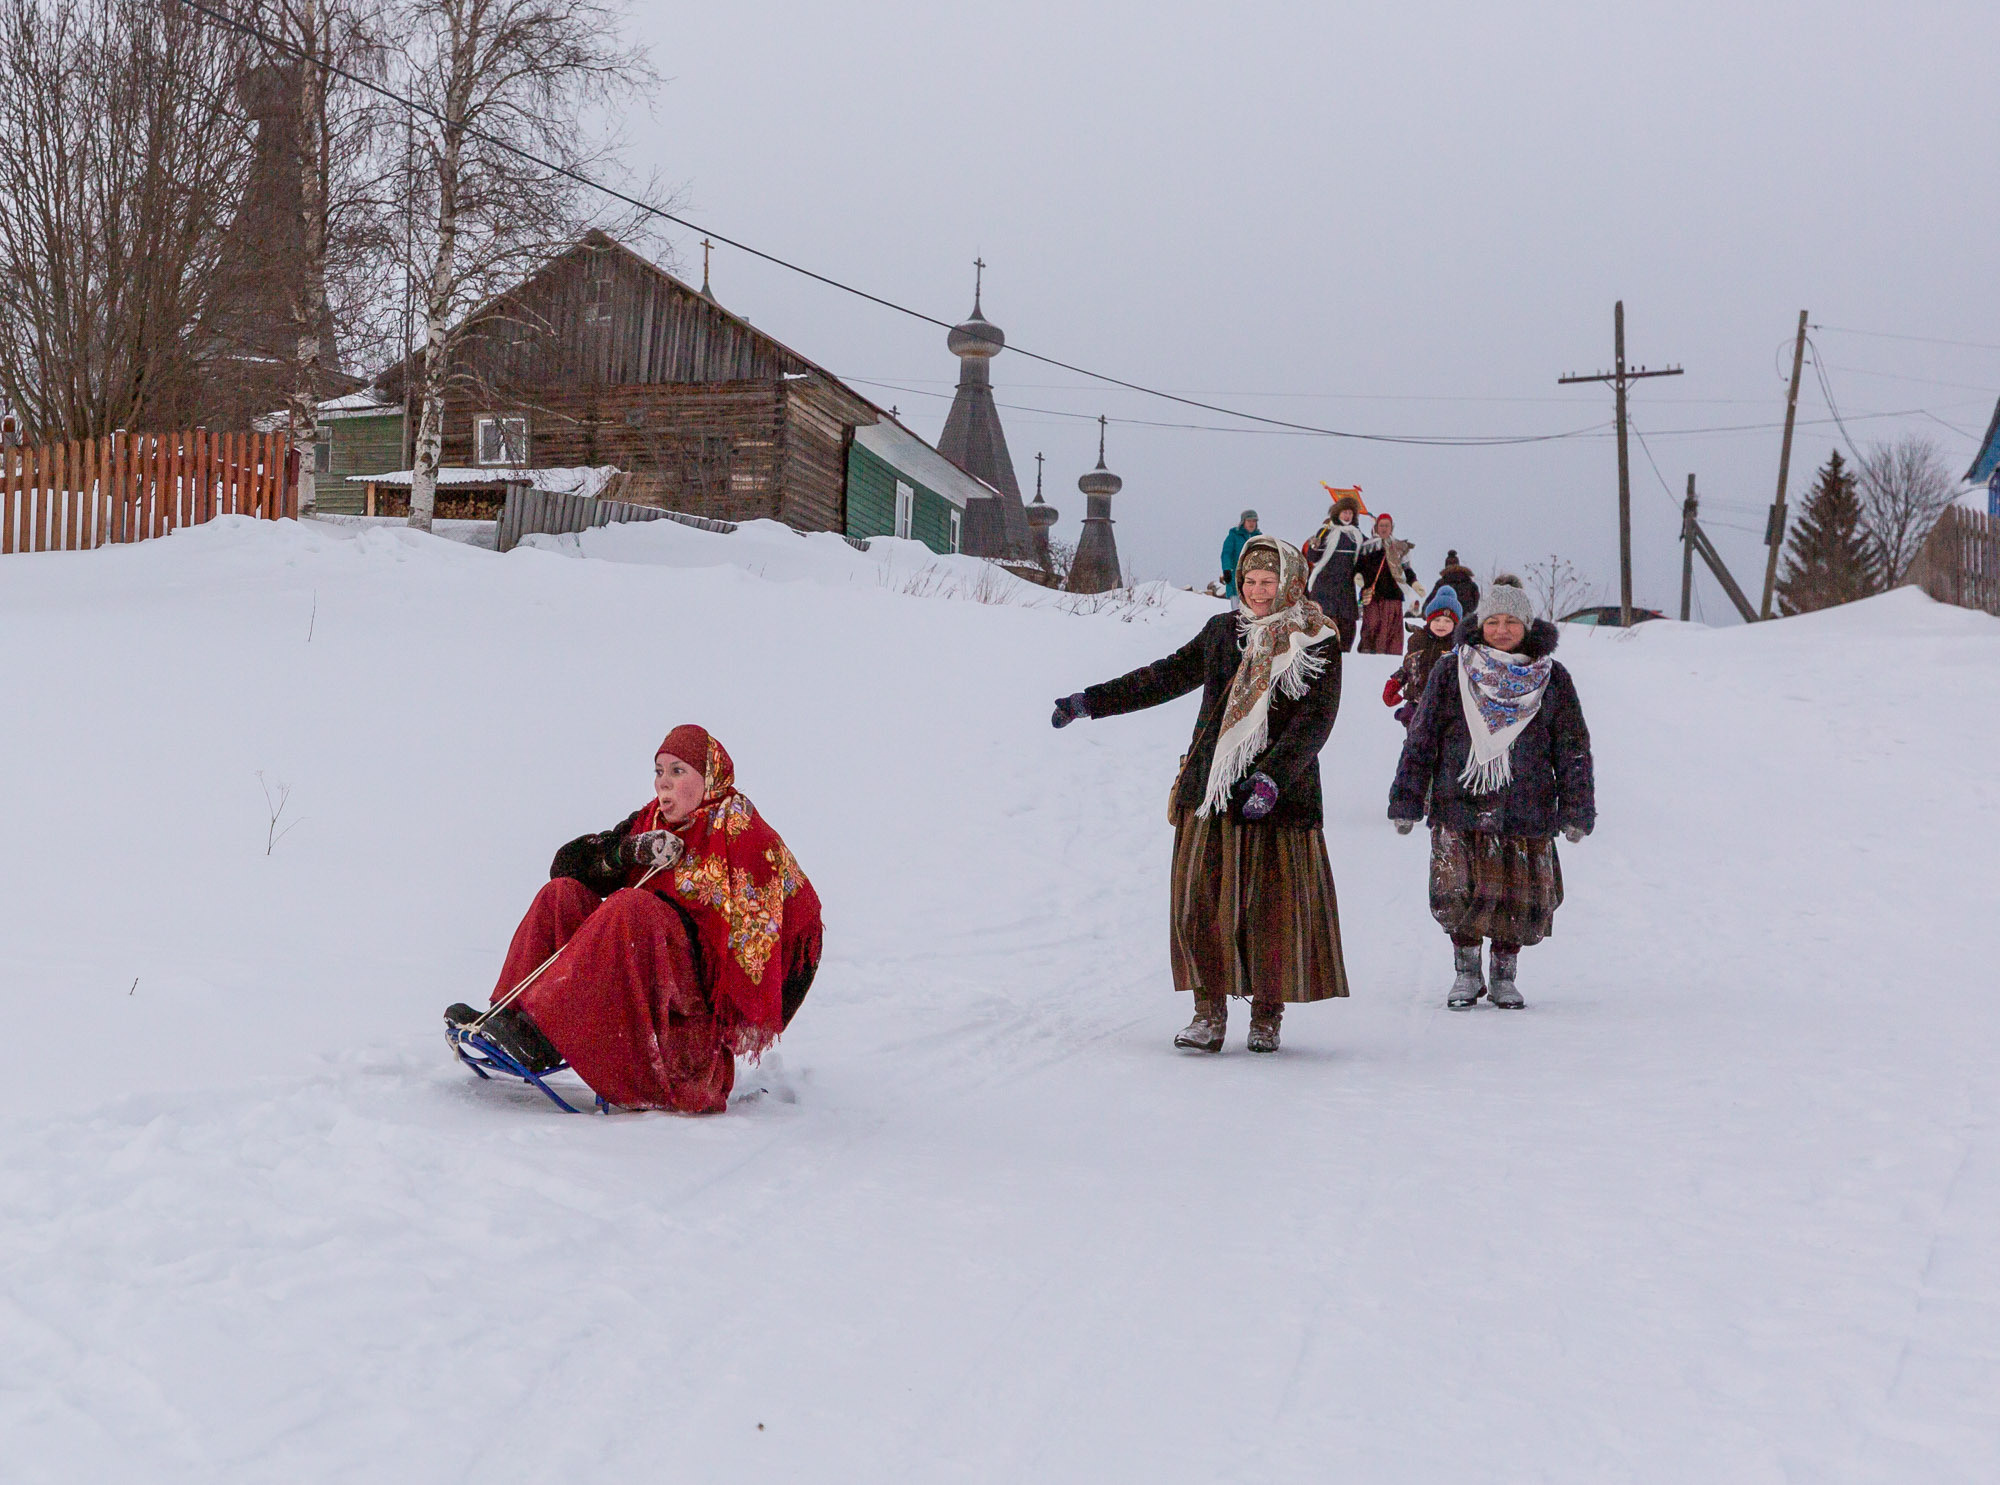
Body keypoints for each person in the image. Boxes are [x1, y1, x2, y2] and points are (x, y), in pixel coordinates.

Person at [1050, 535, 1349, 1053]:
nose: (1256, 592)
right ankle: (1207, 1012)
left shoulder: (1317, 640)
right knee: (1200, 903)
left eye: (1268, 582)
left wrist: (1274, 777)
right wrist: (1090, 701)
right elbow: (1163, 678)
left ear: (1291, 582)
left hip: (1280, 798)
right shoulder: (1222, 632)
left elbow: (1316, 720)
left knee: (1269, 908)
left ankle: (1266, 1013)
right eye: (1249, 581)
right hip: (1211, 789)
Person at [447, 725, 823, 1112]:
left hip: (680, 1008)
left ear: (709, 776)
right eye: (659, 771)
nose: (664, 783)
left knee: (631, 907)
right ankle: (509, 1016)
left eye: (678, 771)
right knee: (561, 894)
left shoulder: (745, 834)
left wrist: (753, 1020)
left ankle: (539, 1029)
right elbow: (564, 864)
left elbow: (801, 925)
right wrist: (628, 853)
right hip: (633, 971)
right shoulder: (650, 822)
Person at [1387, 577, 1594, 1010]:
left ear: (1528, 626)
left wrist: (1576, 808)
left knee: (1515, 896)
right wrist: (1406, 797)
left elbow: (1572, 747)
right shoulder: (1452, 670)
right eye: (1493, 621)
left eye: (1511, 622)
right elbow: (1422, 739)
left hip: (1527, 804)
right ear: (1480, 624)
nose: (1501, 630)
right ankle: (1465, 972)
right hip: (1459, 800)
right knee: (1457, 889)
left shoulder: (1552, 679)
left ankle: (1503, 975)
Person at [1381, 587, 1461, 728]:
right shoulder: (1418, 641)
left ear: (1455, 624)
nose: (1441, 624)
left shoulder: (1458, 647)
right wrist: (1394, 683)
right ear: (1429, 620)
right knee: (1415, 744)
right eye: (1437, 619)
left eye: (1448, 621)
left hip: (1445, 709)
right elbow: (1409, 667)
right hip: (1416, 705)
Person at [1301, 491, 1366, 649]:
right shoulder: (1326, 532)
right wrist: (1314, 546)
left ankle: (1345, 659)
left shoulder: (1357, 536)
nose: (1347, 516)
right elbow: (1313, 557)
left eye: (1350, 512)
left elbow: (1366, 559)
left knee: (1347, 626)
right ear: (1337, 513)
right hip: (1325, 587)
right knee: (1322, 625)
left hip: (1346, 588)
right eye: (1344, 512)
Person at [1354, 512, 1418, 655]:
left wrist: (1414, 583)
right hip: (1373, 596)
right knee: (1371, 627)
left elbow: (1407, 569)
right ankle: (1368, 656)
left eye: (1386, 525)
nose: (1384, 528)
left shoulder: (1400, 547)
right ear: (1376, 527)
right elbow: (1358, 567)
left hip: (1393, 595)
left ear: (1391, 528)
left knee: (1391, 630)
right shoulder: (1367, 547)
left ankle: (1390, 657)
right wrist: (1359, 578)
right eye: (1381, 525)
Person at [1218, 510, 1259, 599]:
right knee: (1237, 610)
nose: (1252, 523)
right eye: (1249, 521)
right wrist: (1226, 569)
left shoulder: (1259, 538)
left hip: (1254, 581)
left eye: (1254, 521)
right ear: (1243, 522)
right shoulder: (1234, 536)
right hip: (1236, 580)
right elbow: (1226, 554)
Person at [1430, 549, 1480, 616]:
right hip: (1465, 620)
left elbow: (1431, 601)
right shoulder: (1470, 583)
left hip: (1446, 618)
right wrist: (1468, 610)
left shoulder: (1441, 583)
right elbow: (1475, 600)